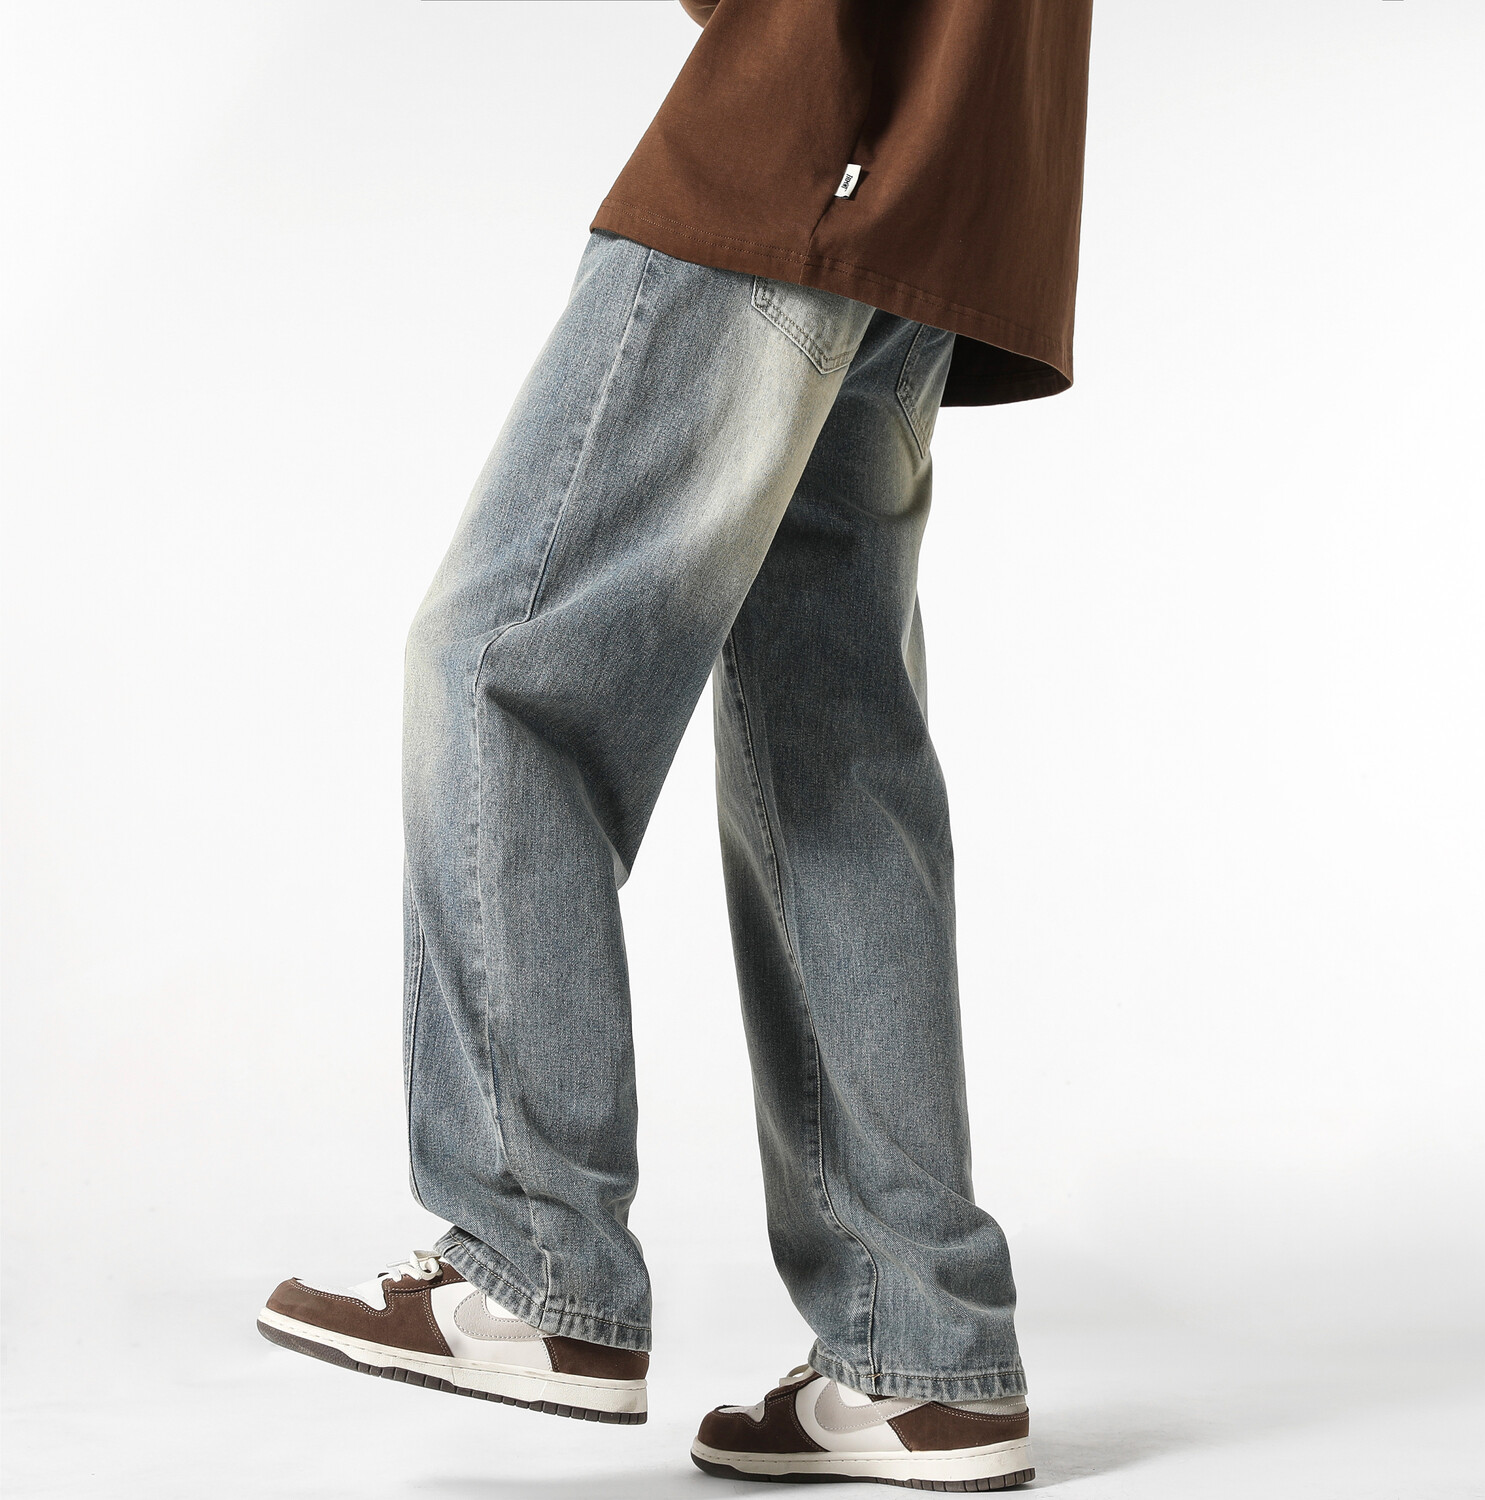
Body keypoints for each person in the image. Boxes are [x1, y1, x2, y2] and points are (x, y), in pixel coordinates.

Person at [257, 0, 1092, 1488]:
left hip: (805, 133)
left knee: (500, 669)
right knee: (832, 754)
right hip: (938, 176)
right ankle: (922, 1354)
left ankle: (532, 1259)